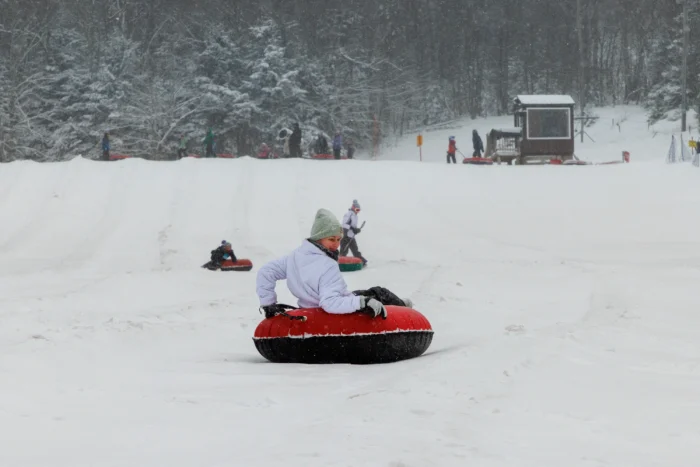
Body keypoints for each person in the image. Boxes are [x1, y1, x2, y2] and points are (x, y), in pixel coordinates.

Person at [256, 209, 412, 319]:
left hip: (308, 307)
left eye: (338, 239)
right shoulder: (326, 265)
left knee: (369, 293)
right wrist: (362, 302)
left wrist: (268, 303)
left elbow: (266, 272)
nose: (336, 245)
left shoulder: (294, 257)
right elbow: (330, 303)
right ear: (318, 238)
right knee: (379, 292)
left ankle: (398, 307)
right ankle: (403, 314)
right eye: (331, 239)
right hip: (328, 310)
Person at [340, 199, 367, 266]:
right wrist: (352, 229)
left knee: (355, 251)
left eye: (359, 210)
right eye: (357, 210)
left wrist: (356, 230)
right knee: (343, 252)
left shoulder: (355, 216)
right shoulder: (348, 214)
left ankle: (362, 262)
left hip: (351, 237)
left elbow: (353, 226)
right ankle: (339, 264)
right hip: (346, 237)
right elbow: (344, 224)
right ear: (353, 208)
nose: (358, 212)